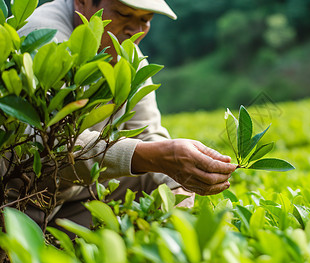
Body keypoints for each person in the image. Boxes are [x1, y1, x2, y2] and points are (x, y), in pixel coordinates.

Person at [17, 0, 236, 229]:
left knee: (156, 180)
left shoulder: (126, 55)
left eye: (145, 20)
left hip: (67, 195)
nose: (135, 31)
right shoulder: (44, 37)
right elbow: (51, 146)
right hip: (16, 194)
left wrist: (177, 187)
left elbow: (148, 132)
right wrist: (156, 156)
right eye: (123, 13)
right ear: (81, 2)